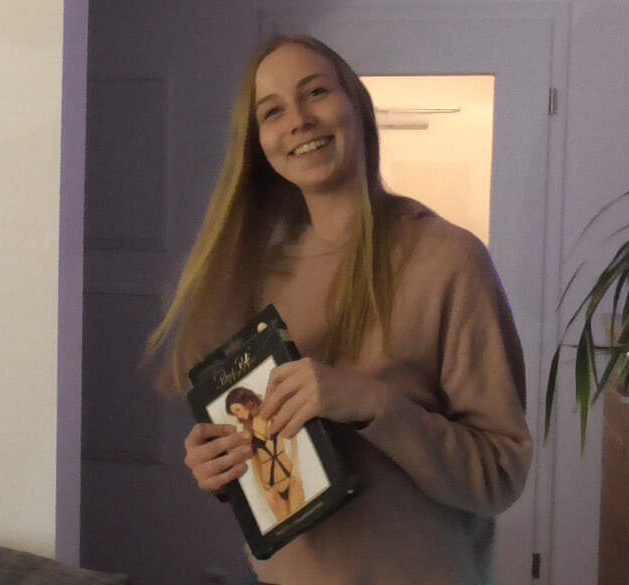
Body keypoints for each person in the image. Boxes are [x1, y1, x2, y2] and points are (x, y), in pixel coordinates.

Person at [144, 34, 532, 585]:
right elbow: (277, 466)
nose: (299, 120)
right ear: (259, 144)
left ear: (357, 105)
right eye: (272, 112)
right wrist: (224, 464)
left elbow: (499, 475)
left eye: (316, 92)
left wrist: (371, 403)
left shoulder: (450, 259)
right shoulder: (260, 275)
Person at [225, 386, 306, 523]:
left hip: (290, 477)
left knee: (305, 518)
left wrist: (296, 468)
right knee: (287, 528)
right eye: (234, 414)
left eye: (237, 410)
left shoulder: (273, 415)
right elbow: (256, 463)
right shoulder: (248, 432)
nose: (237, 416)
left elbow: (293, 440)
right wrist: (264, 491)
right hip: (271, 488)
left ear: (248, 402)